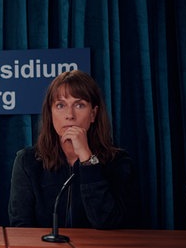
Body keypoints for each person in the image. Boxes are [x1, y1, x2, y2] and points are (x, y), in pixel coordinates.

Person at [8, 70, 139, 229]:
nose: (69, 115)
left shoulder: (118, 162)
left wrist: (87, 159)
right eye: (61, 105)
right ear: (51, 113)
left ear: (93, 114)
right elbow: (21, 227)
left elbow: (109, 223)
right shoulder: (27, 161)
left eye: (79, 105)